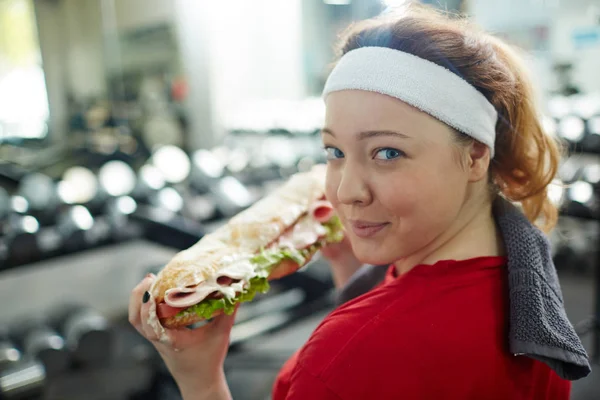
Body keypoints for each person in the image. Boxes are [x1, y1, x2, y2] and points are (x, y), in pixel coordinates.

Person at [129, 4, 589, 399]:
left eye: (387, 153)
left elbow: (380, 353)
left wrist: (202, 382)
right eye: (335, 152)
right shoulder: (527, 288)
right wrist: (352, 276)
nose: (347, 190)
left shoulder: (348, 355)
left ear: (474, 156)